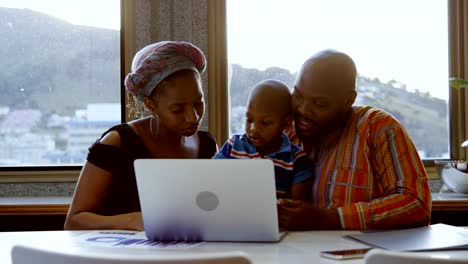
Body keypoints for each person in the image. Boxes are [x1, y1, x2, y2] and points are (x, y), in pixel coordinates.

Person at [64, 41, 218, 230]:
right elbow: (73, 222)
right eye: (177, 109)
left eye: (198, 103)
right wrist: (134, 220)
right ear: (150, 105)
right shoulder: (117, 143)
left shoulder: (207, 145)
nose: (193, 117)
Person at [277, 49, 431, 230]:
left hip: (358, 256)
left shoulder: (376, 128)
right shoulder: (284, 133)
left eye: (319, 103)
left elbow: (416, 202)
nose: (303, 110)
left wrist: (331, 218)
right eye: (298, 96)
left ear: (348, 100)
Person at [213, 79, 313, 201]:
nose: (253, 129)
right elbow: (211, 176)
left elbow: (297, 209)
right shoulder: (233, 145)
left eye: (265, 123)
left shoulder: (298, 160)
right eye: (249, 120)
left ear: (286, 123)